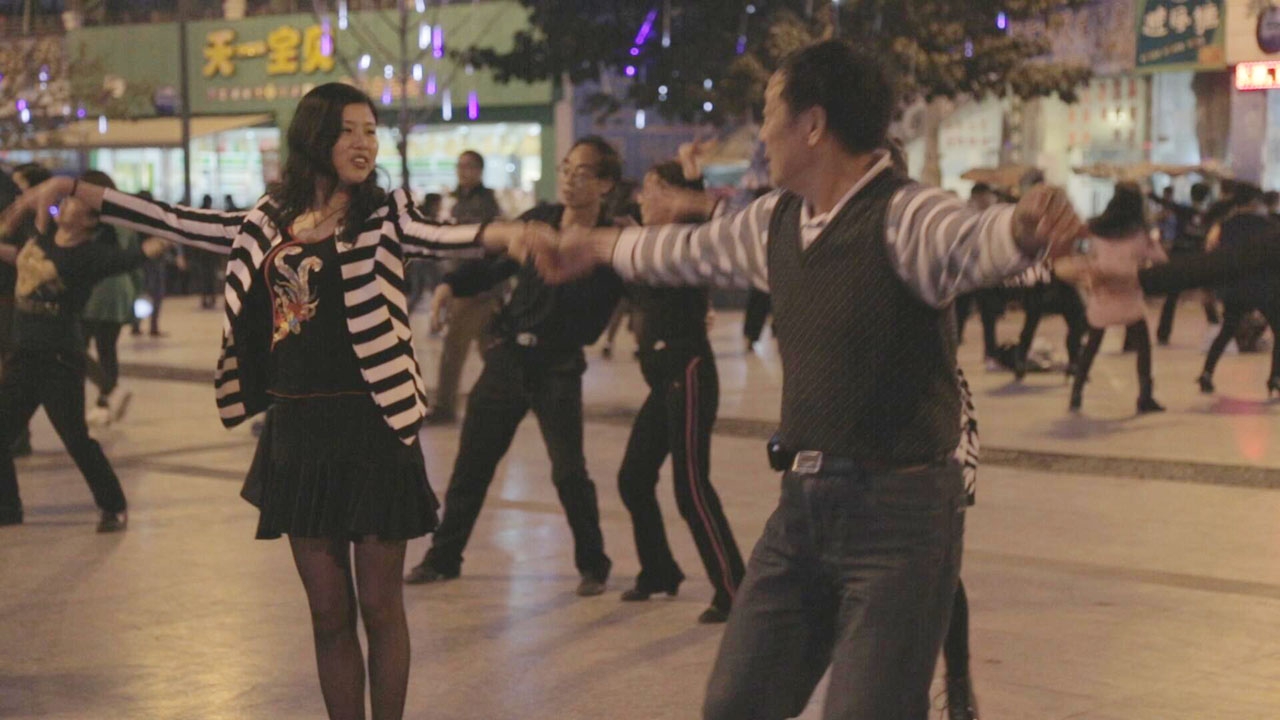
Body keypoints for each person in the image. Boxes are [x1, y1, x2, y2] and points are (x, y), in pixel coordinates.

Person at [533, 41, 1082, 720]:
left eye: (770, 114)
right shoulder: (776, 221)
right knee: (735, 703)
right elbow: (683, 249)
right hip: (802, 512)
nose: (762, 134)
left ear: (813, 125)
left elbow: (973, 239)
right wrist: (590, 246)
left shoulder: (905, 214)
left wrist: (1026, 225)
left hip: (900, 519)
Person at [20, 83, 532, 720]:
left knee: (380, 607)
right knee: (327, 614)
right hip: (298, 431)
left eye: (370, 131)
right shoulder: (264, 221)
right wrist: (79, 189)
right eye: (349, 129)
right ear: (315, 138)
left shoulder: (385, 214)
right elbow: (177, 220)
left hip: (374, 426)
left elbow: (443, 237)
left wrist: (508, 233)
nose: (363, 142)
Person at [404, 136, 624, 597]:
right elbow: (493, 266)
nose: (569, 179)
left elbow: (610, 304)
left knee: (568, 471)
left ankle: (593, 565)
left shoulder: (611, 241)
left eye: (582, 173)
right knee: (472, 466)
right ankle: (443, 557)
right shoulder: (539, 221)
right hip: (508, 358)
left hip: (558, 366)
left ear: (604, 183)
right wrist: (452, 285)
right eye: (566, 169)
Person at [0, 170, 167, 531]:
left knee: (76, 439)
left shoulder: (92, 255)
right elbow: (25, 256)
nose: (68, 203)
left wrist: (160, 241)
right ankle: (8, 509)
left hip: (58, 361)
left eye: (76, 200)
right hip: (23, 357)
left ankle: (113, 506)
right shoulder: (43, 233)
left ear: (90, 218)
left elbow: (135, 255)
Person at [616, 159, 745, 624]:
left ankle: (734, 588)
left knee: (690, 487)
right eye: (644, 190)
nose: (643, 199)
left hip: (688, 370)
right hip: (663, 378)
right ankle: (659, 570)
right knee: (633, 477)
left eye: (653, 191)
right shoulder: (641, 244)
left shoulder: (691, 245)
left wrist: (691, 185)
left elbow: (713, 220)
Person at [1069, 183, 1168, 413]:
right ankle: (1145, 396)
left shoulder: (1097, 228)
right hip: (1128, 289)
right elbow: (1159, 258)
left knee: (1093, 343)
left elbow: (1090, 255)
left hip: (1104, 289)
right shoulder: (1139, 232)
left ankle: (1077, 391)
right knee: (1143, 344)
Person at [422, 151, 503, 425]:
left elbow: (481, 247)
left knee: (454, 350)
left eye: (468, 166)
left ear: (480, 170)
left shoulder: (485, 203)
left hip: (473, 285)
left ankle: (445, 407)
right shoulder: (454, 200)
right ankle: (507, 398)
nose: (462, 170)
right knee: (490, 349)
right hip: (463, 282)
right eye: (459, 165)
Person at [1196, 185, 1280, 396]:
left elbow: (1213, 253)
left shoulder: (1224, 226)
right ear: (1254, 202)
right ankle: (1275, 377)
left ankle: (1206, 373)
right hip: (1263, 287)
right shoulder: (1268, 225)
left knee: (1227, 331)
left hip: (1235, 287)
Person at [80, 170, 142, 426]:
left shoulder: (91, 219)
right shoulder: (124, 221)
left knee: (74, 349)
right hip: (121, 289)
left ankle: (108, 390)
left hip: (94, 290)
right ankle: (106, 404)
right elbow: (136, 261)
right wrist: (134, 294)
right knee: (108, 351)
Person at [4, 163, 52, 457]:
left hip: (14, 300)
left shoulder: (34, 217)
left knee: (13, 368)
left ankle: (17, 436)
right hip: (14, 299)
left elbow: (31, 255)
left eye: (20, 184)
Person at [1150, 182, 1217, 344]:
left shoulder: (1184, 210)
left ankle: (1163, 333)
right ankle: (1216, 326)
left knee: (1172, 296)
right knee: (1206, 292)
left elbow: (1165, 203)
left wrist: (1149, 193)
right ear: (1206, 197)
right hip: (1199, 256)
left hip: (1179, 256)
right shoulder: (1210, 214)